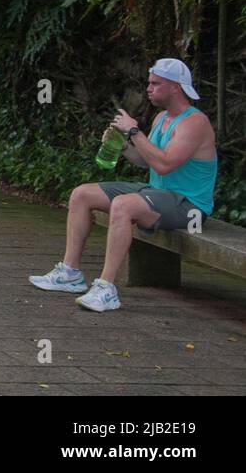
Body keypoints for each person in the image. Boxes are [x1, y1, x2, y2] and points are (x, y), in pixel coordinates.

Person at [29, 59, 218, 312]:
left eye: (155, 84)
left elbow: (164, 165)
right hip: (159, 194)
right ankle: (70, 274)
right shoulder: (162, 118)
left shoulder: (194, 122)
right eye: (149, 83)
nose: (148, 88)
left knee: (122, 205)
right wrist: (124, 146)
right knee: (82, 194)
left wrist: (134, 132)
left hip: (189, 206)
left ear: (175, 87)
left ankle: (106, 288)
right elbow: (147, 161)